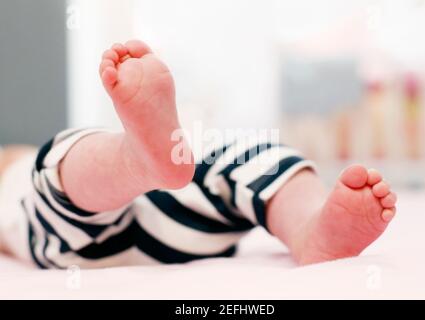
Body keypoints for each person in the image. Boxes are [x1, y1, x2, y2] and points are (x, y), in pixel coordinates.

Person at [0, 40, 397, 269]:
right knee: (58, 169)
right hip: (134, 230)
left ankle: (311, 227)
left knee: (61, 174)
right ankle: (132, 160)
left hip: (107, 228)